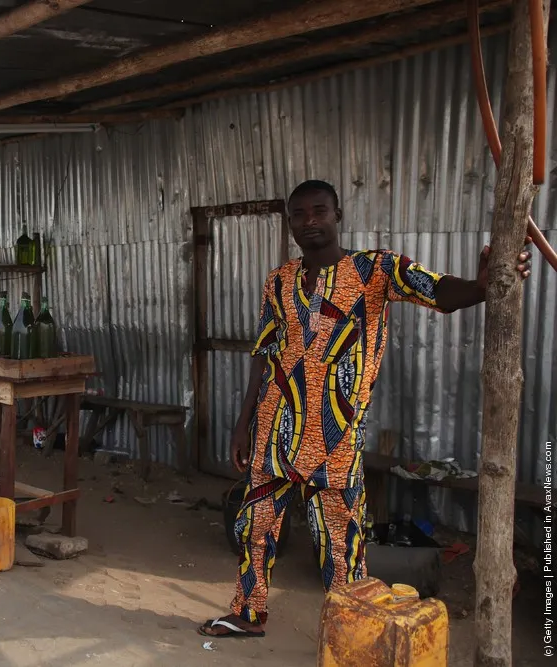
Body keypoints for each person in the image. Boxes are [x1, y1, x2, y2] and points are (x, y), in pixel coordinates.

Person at [199, 179, 532, 639]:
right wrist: (243, 424)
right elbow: (264, 352)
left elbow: (439, 293)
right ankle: (247, 613)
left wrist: (481, 286)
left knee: (340, 541)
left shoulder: (375, 270)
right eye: (299, 214)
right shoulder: (278, 282)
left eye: (319, 211)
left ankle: (352, 635)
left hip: (333, 435)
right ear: (291, 222)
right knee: (255, 526)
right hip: (274, 429)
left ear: (338, 215)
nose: (310, 221)